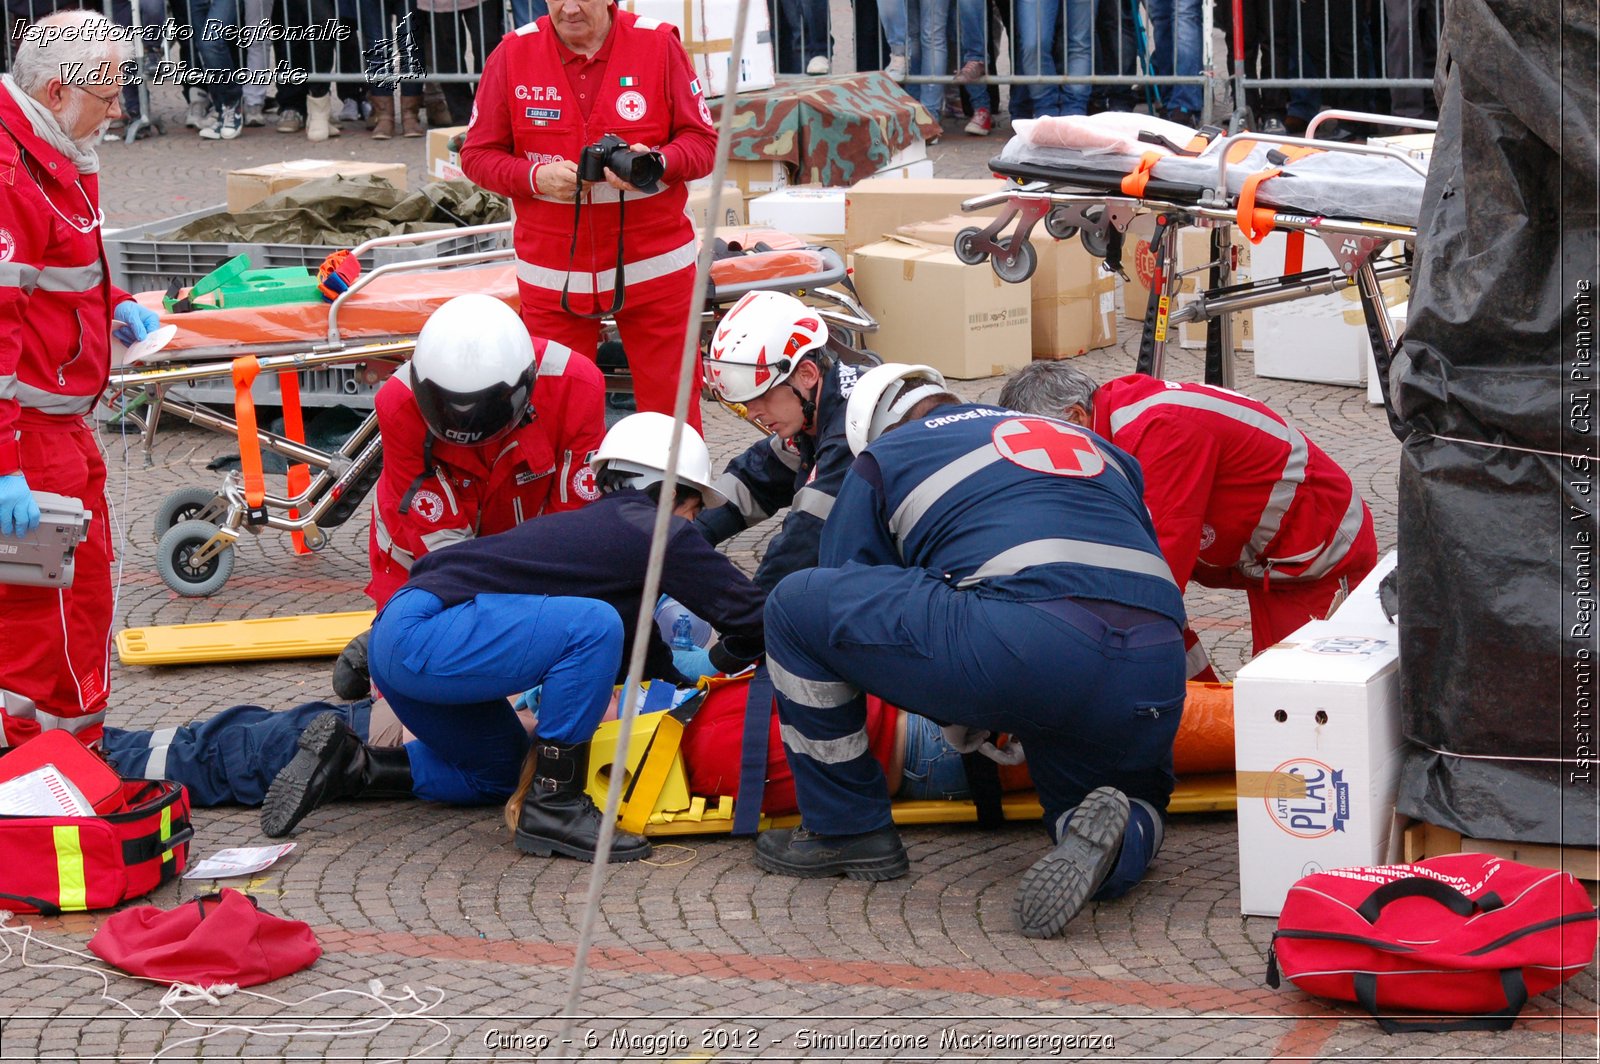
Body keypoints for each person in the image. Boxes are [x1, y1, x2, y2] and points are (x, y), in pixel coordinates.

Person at [754, 363, 1188, 940]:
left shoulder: (885, 457)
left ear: (873, 430)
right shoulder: (1096, 445)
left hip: (1025, 643)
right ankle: (1125, 835)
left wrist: (956, 705)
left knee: (794, 606)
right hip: (1154, 663)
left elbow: (849, 599)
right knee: (1116, 796)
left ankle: (845, 829)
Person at [277, 413, 767, 858]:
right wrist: (738, 652)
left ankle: (354, 766)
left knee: (500, 769)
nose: (693, 521)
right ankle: (555, 809)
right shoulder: (659, 531)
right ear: (673, 490)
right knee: (594, 627)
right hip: (424, 634)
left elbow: (640, 654)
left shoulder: (595, 538)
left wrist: (688, 684)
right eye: (695, 507)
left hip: (405, 634)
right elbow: (751, 614)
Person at [998, 363, 1377, 680]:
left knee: (1298, 700)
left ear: (1077, 417)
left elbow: (1158, 571)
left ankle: (1194, 724)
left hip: (1316, 552)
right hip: (1270, 552)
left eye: (1045, 446)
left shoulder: (1160, 431)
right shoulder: (1119, 421)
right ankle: (1198, 720)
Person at [0, 12, 160, 750]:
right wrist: (7, 471)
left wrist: (115, 307)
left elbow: (53, 279)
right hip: (29, 441)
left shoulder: (52, 150)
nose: (119, 109)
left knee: (77, 607)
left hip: (54, 432)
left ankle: (68, 765)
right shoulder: (13, 173)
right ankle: (43, 778)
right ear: (60, 90)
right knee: (45, 624)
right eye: (109, 94)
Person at [459, 0, 718, 430]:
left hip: (656, 271)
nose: (571, 7)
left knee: (673, 422)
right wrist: (535, 177)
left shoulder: (657, 44)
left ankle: (676, 499)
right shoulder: (512, 54)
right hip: (553, 276)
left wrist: (657, 163)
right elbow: (477, 155)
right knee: (556, 421)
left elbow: (702, 142)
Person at [362, 293, 605, 611]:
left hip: (538, 556)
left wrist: (529, 602)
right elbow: (437, 536)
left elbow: (573, 523)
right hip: (417, 557)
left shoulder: (576, 387)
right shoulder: (398, 404)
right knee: (411, 647)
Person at [695, 291, 862, 592]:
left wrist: (745, 626)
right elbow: (756, 477)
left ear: (807, 374)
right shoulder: (821, 412)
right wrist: (686, 533)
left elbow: (803, 543)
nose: (752, 411)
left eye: (761, 396)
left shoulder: (852, 431)